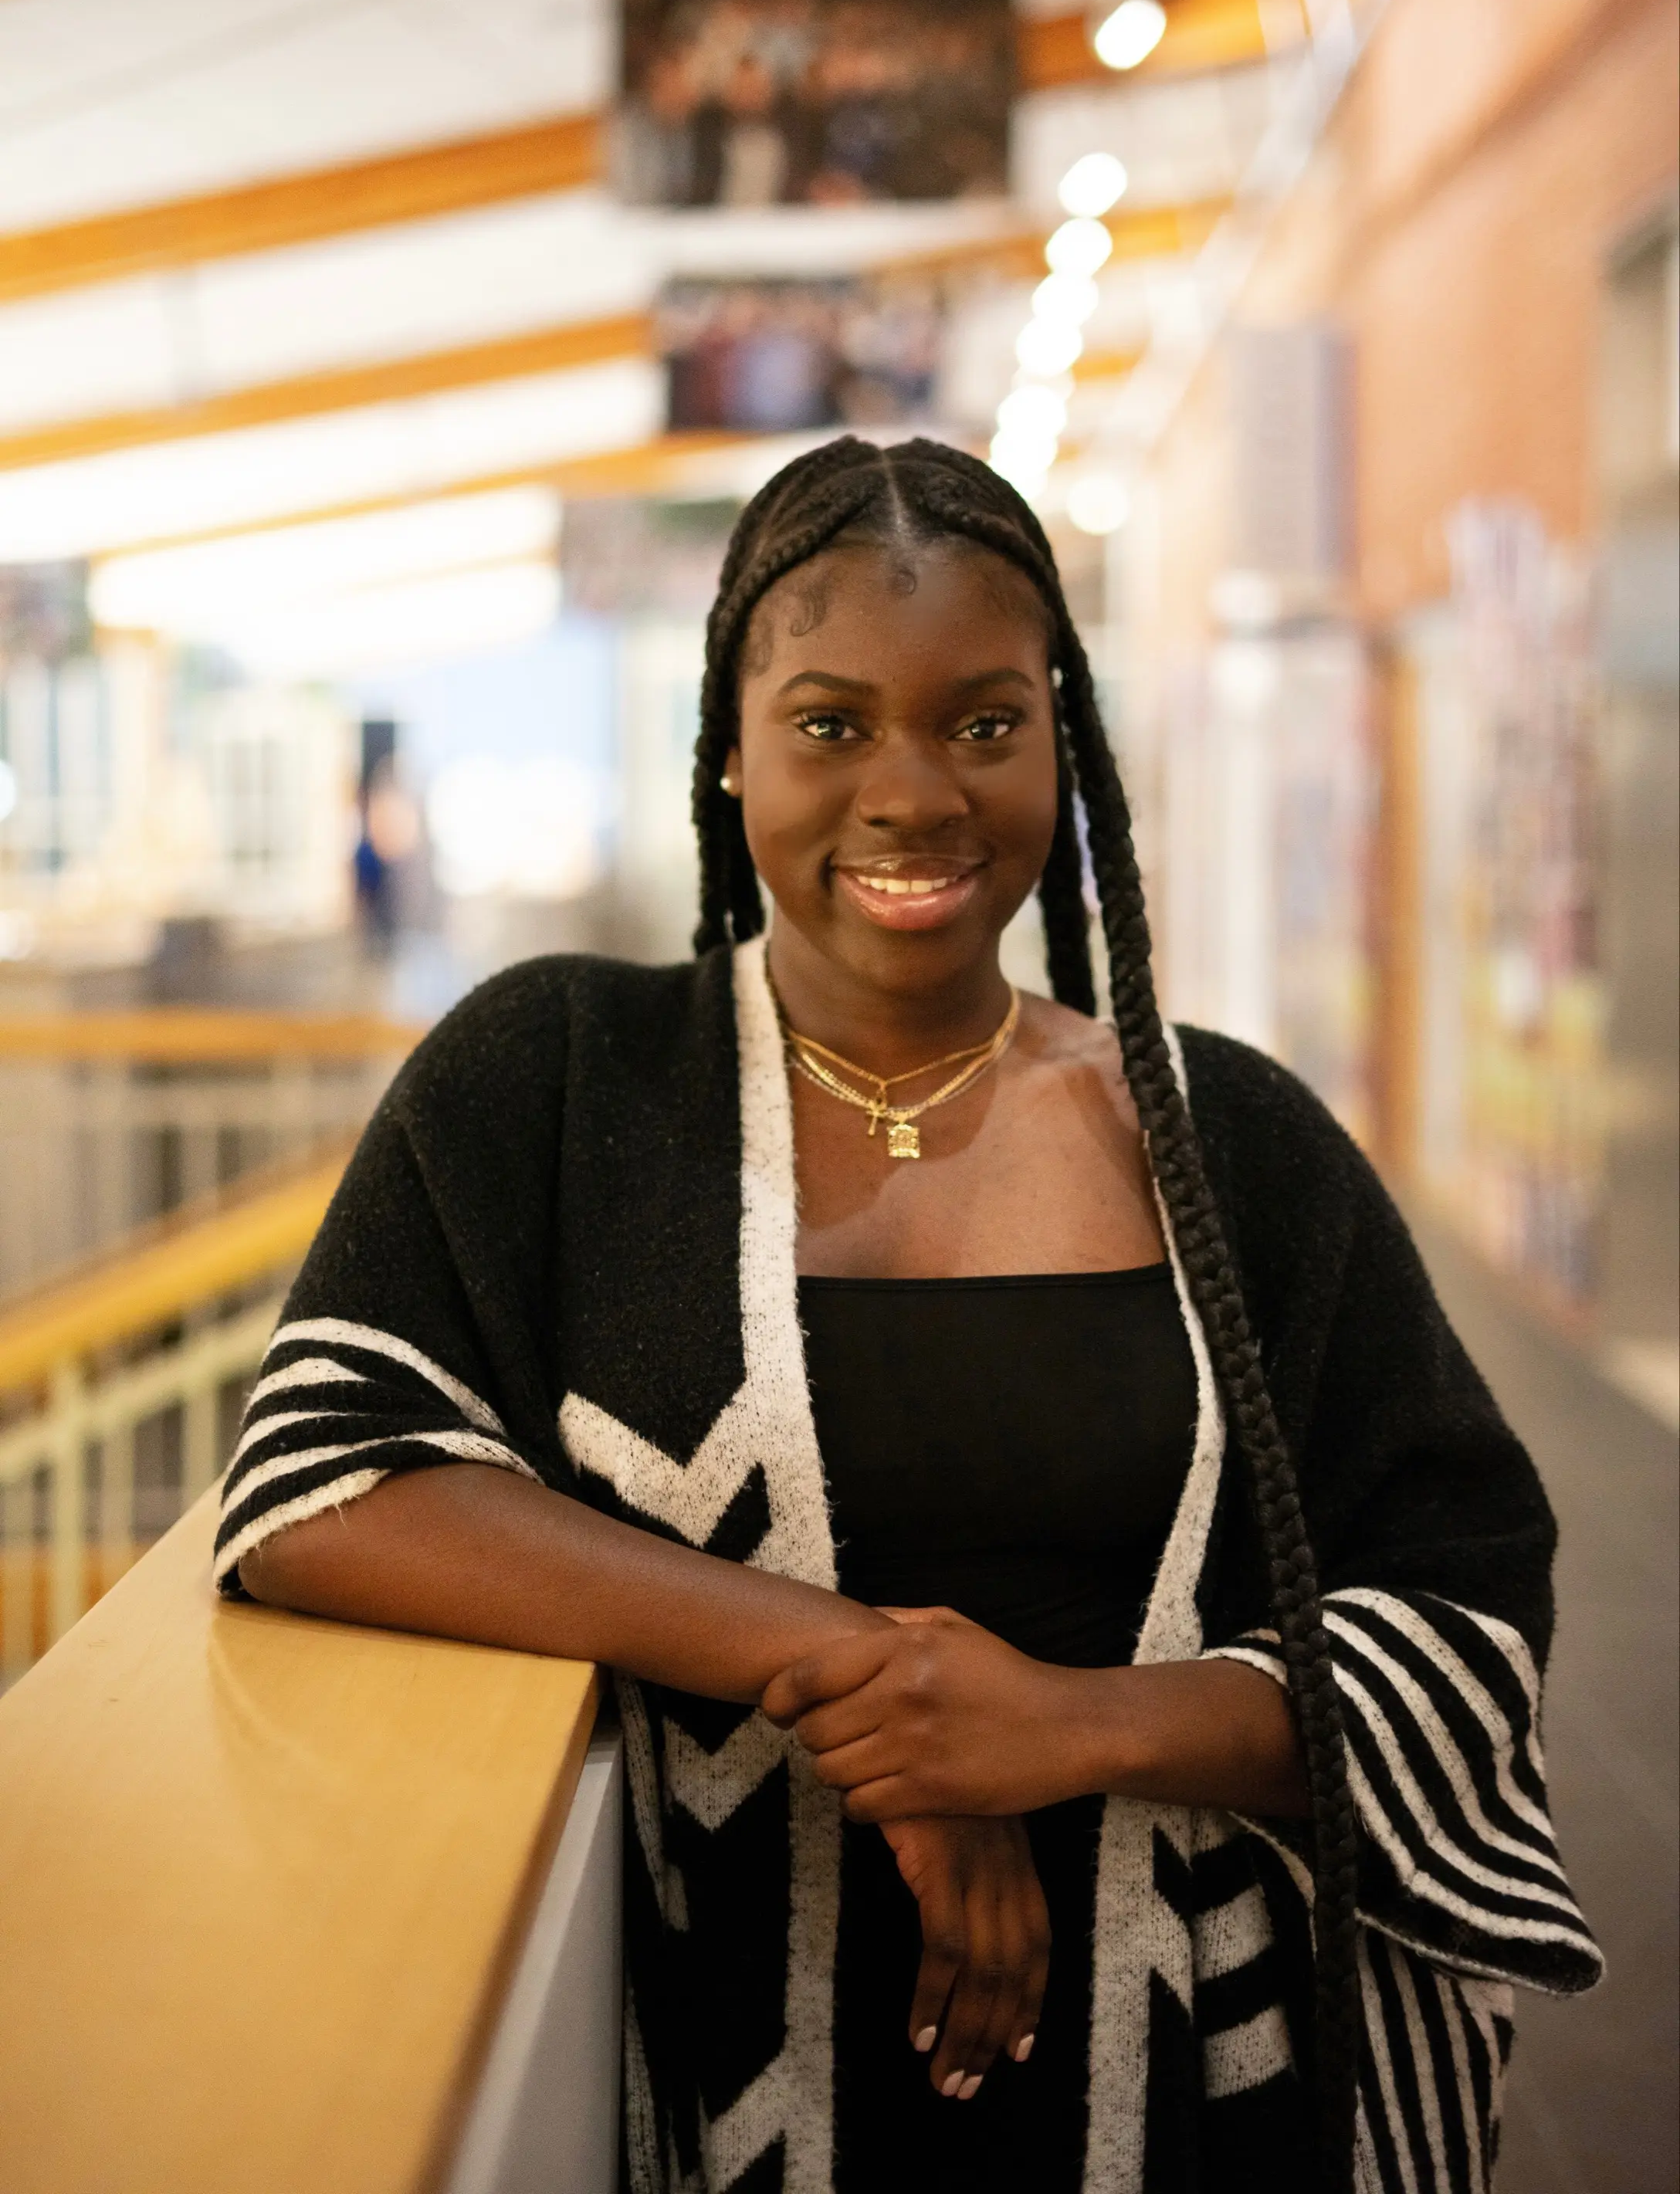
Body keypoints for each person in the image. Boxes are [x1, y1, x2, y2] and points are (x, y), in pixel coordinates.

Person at [218, 438, 1600, 2194]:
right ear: (726, 747)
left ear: (1061, 741)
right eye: (826, 723)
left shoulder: (1225, 1141)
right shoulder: (563, 1082)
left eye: (980, 721)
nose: (911, 792)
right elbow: (326, 1486)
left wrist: (1061, 1726)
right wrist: (854, 1673)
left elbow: (1464, 1611)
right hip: (720, 2078)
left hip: (1194, 2093)